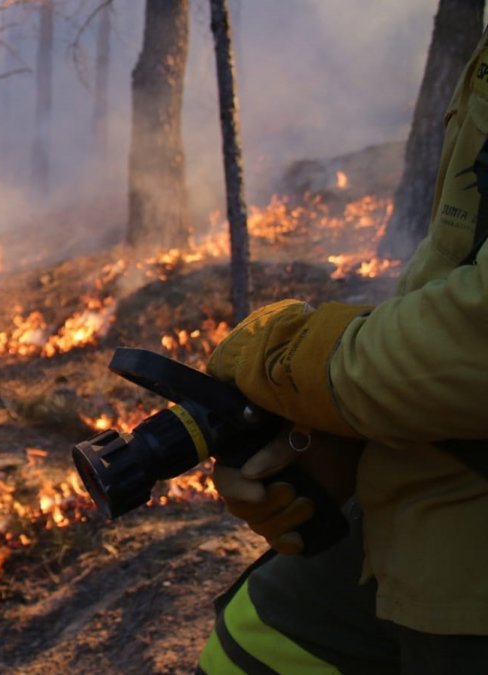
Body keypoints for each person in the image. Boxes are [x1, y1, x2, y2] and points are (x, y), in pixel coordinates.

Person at [196, 28, 488, 673]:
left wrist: (292, 366)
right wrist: (356, 438)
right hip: (438, 481)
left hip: (469, 571)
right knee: (251, 647)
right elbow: (451, 279)